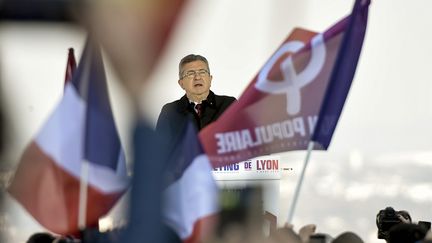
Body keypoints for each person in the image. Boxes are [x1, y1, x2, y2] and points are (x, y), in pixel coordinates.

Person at [156, 54, 236, 143]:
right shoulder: (170, 112)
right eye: (190, 73)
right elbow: (159, 151)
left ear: (210, 79)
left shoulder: (229, 105)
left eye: (202, 72)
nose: (197, 77)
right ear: (181, 83)